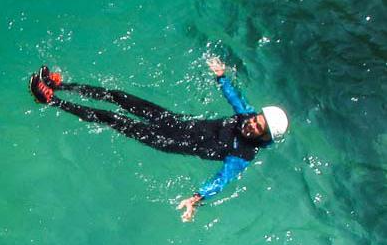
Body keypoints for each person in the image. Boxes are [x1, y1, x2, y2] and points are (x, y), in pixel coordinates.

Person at [28, 57, 289, 221]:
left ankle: (51, 100)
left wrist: (196, 198)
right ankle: (59, 85)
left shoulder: (243, 154)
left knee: (111, 118)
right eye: (257, 119)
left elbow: (222, 180)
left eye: (258, 127)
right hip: (173, 121)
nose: (252, 124)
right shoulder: (246, 116)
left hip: (166, 140)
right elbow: (234, 97)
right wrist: (221, 77)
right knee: (120, 97)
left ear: (265, 136)